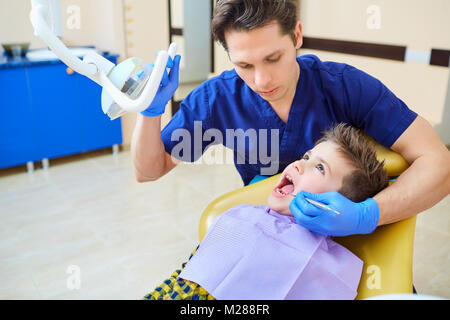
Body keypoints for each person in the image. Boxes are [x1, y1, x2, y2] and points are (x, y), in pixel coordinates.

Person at [131, 0, 450, 237]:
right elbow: (149, 170)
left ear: (296, 35)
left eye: (273, 59)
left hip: (347, 239)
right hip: (272, 236)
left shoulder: (344, 87)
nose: (261, 81)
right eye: (244, 65)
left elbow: (439, 163)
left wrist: (366, 215)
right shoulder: (218, 99)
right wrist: (150, 111)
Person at [143, 123, 389, 300]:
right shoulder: (243, 215)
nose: (299, 164)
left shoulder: (327, 266)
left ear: (339, 202)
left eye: (320, 168)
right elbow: (189, 271)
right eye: (307, 155)